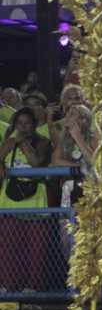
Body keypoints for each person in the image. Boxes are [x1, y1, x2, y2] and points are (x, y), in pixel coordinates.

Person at [0, 108, 52, 294]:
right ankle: (10, 289)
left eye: (27, 123)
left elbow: (37, 162)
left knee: (36, 252)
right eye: (19, 123)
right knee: (9, 251)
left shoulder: (43, 142)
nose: (22, 127)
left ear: (35, 124)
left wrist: (23, 144)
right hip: (10, 205)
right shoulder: (9, 142)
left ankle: (33, 290)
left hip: (35, 205)